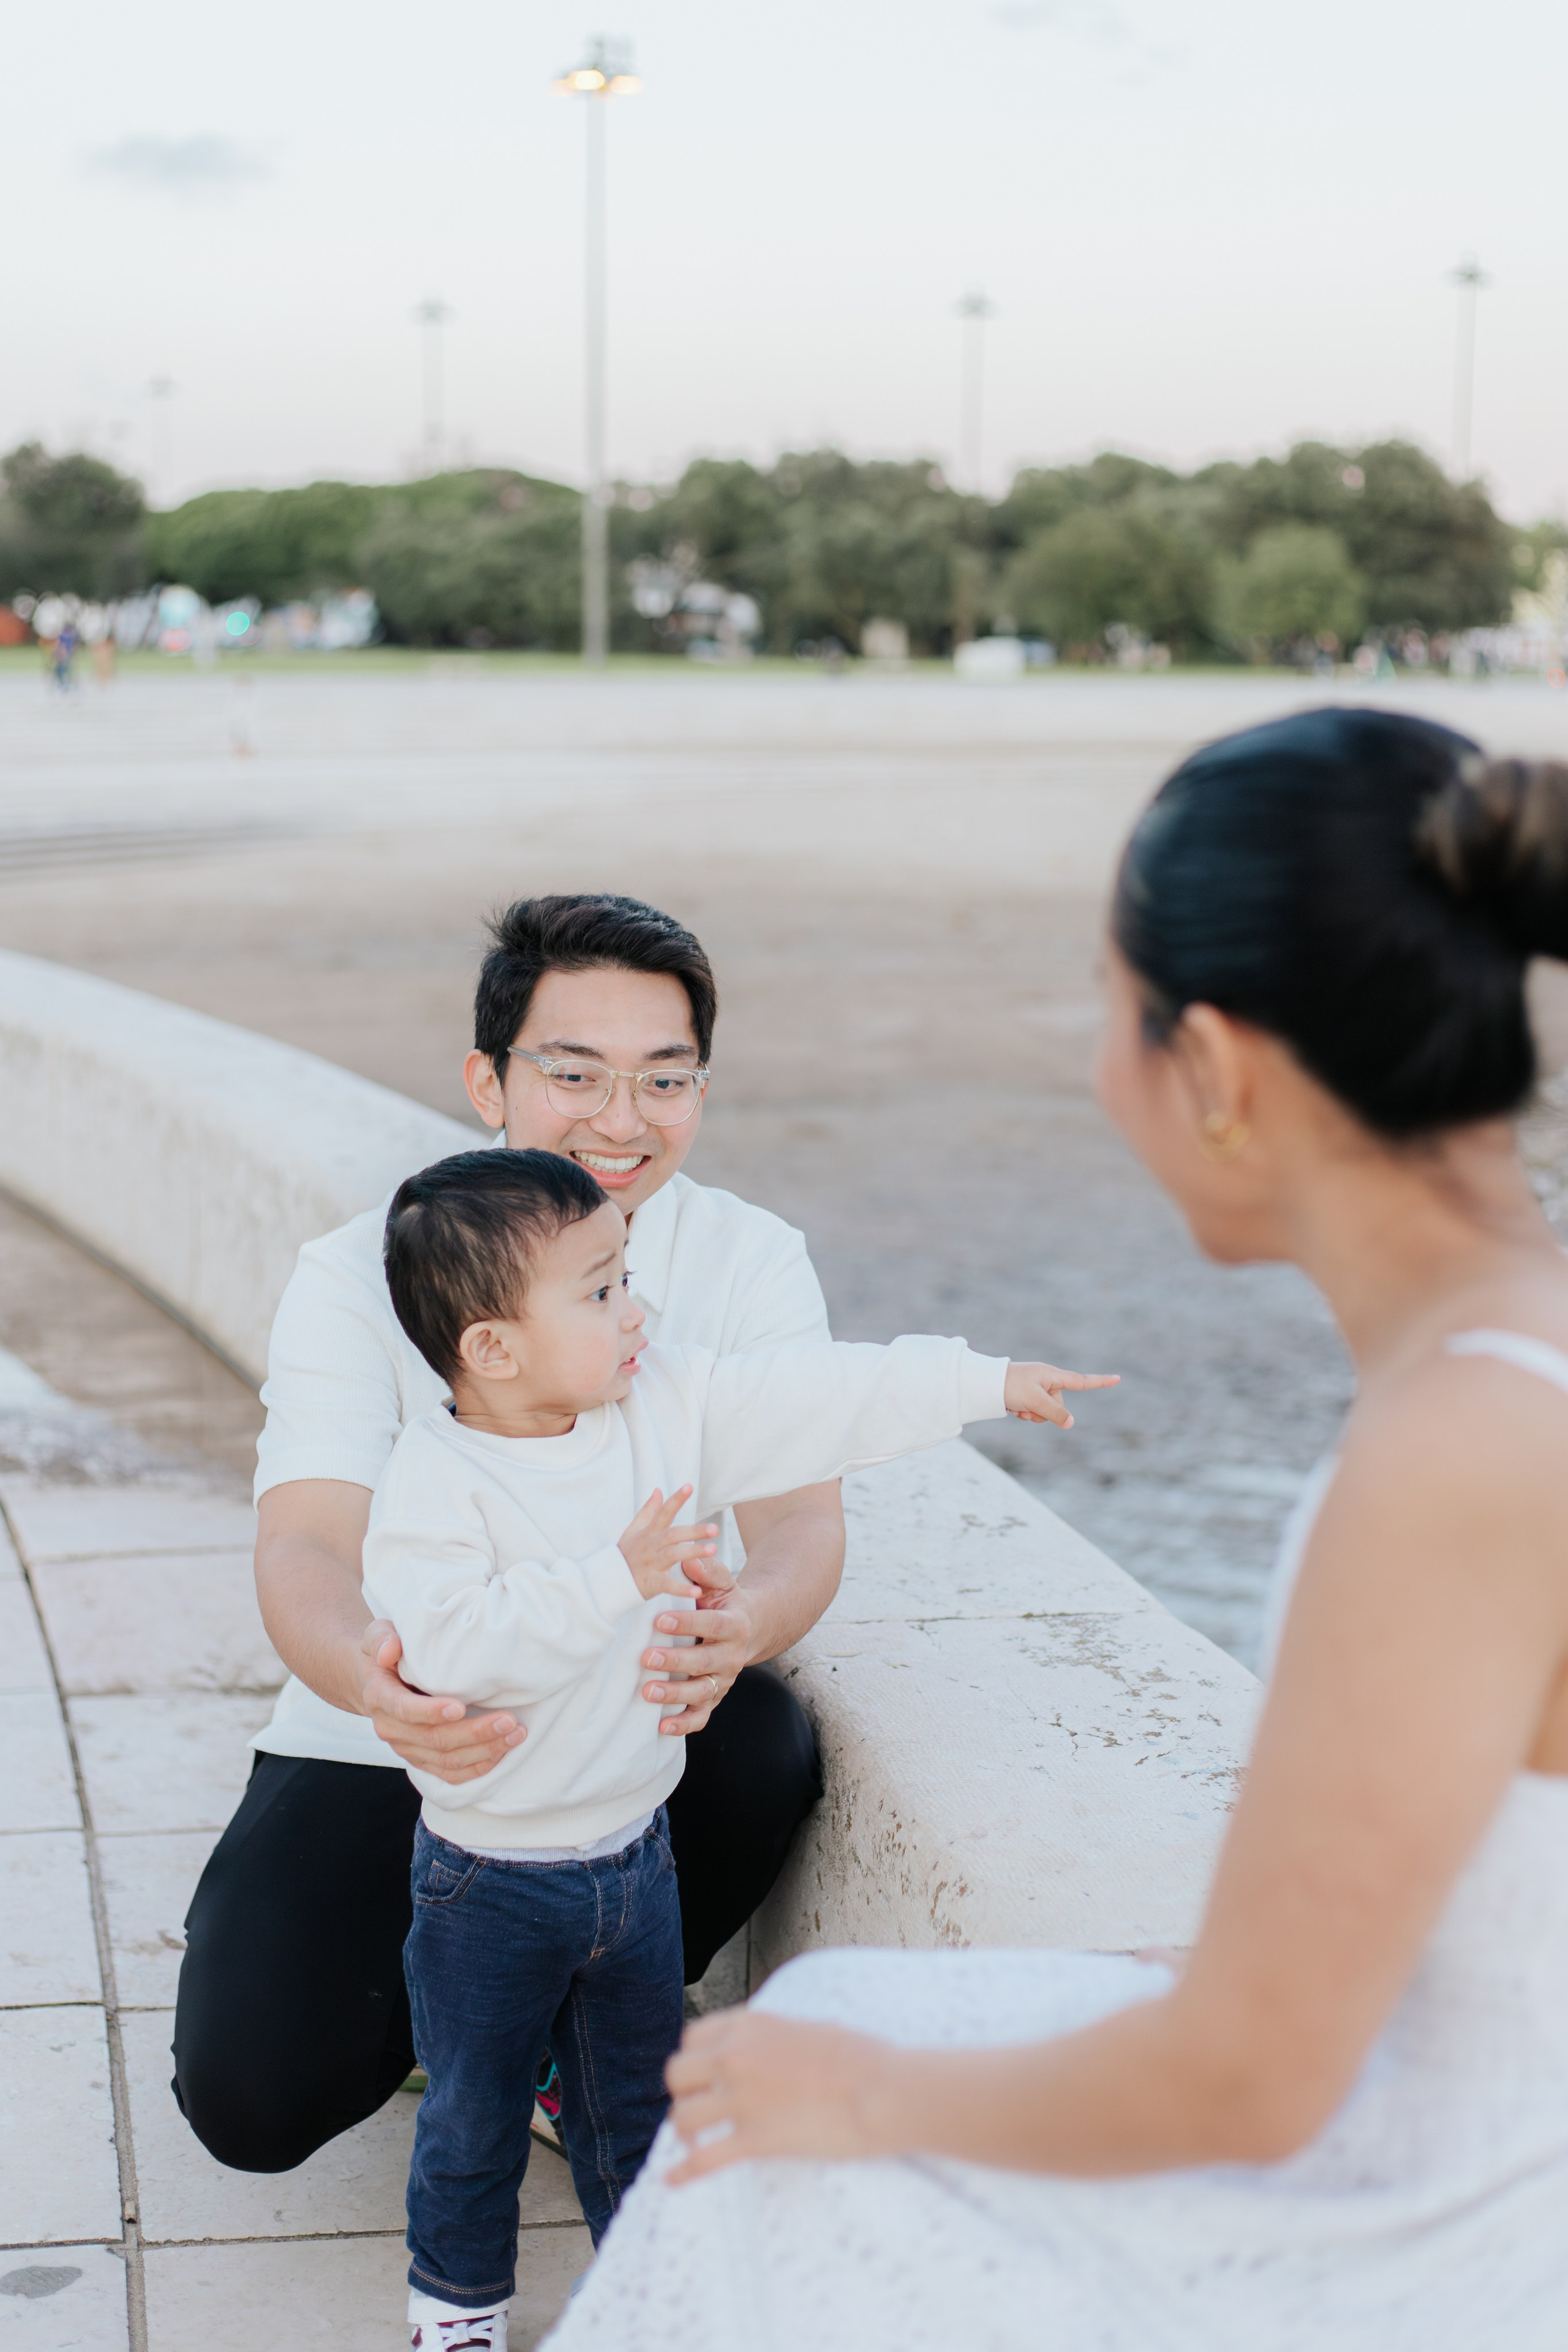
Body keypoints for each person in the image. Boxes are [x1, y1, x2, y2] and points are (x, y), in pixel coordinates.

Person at [550, 710, 1568, 2352]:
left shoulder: (1456, 1453)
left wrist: (868, 2101)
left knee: (760, 2150)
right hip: (1491, 2126)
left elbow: (1250, 2076)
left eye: (1112, 1015)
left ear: (1219, 1069)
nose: (1101, 1076)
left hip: (1462, 2242)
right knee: (829, 2007)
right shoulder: (1517, 1359)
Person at [369, 1147, 1110, 2345]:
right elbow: (459, 1649)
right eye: (600, 1293)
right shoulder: (435, 1481)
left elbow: (816, 1393)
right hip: (487, 1881)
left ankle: (657, 2297)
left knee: (639, 2115)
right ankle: (456, 2311)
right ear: (492, 1348)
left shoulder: (662, 1397)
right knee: (471, 2116)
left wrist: (984, 1380)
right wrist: (615, 1579)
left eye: (628, 1279)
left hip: (633, 1859)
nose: (638, 1314)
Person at [173, 897, 850, 2171]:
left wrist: (748, 1621)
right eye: (572, 1072)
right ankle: (469, 2006)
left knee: (762, 1741)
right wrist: (371, 1678)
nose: (621, 1117)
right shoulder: (355, 1268)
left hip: (620, 1726)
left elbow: (802, 1521)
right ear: (487, 1080)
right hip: (398, 1729)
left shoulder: (750, 1260)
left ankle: (557, 2032)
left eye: (665, 1078)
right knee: (251, 2101)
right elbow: (306, 1540)